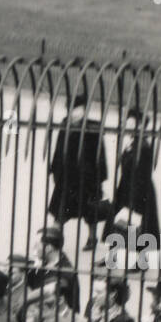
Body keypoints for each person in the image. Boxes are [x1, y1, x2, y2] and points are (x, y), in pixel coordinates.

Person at [48, 95, 109, 251]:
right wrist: (54, 168)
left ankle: (92, 237)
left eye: (78, 109)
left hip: (86, 178)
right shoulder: (65, 124)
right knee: (60, 213)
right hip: (67, 178)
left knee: (90, 212)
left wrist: (99, 177)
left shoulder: (92, 128)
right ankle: (56, 240)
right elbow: (59, 149)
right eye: (72, 109)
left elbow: (100, 154)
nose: (75, 112)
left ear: (84, 110)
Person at [110, 108, 161, 242]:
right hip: (127, 187)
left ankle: (134, 257)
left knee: (134, 223)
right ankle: (117, 254)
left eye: (130, 123)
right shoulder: (134, 143)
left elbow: (141, 173)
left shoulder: (143, 146)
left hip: (138, 189)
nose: (126, 125)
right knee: (123, 222)